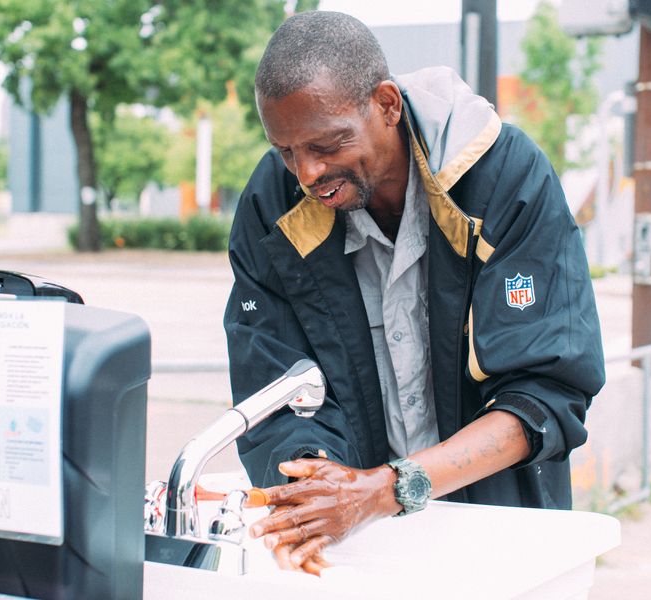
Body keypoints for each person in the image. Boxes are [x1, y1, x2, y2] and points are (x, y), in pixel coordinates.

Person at [223, 11, 605, 573]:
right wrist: (317, 484)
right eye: (286, 150)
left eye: (327, 143)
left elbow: (545, 397)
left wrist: (385, 490)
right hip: (356, 553)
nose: (306, 171)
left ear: (386, 104)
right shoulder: (272, 208)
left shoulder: (506, 180)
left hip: (498, 537)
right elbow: (275, 392)